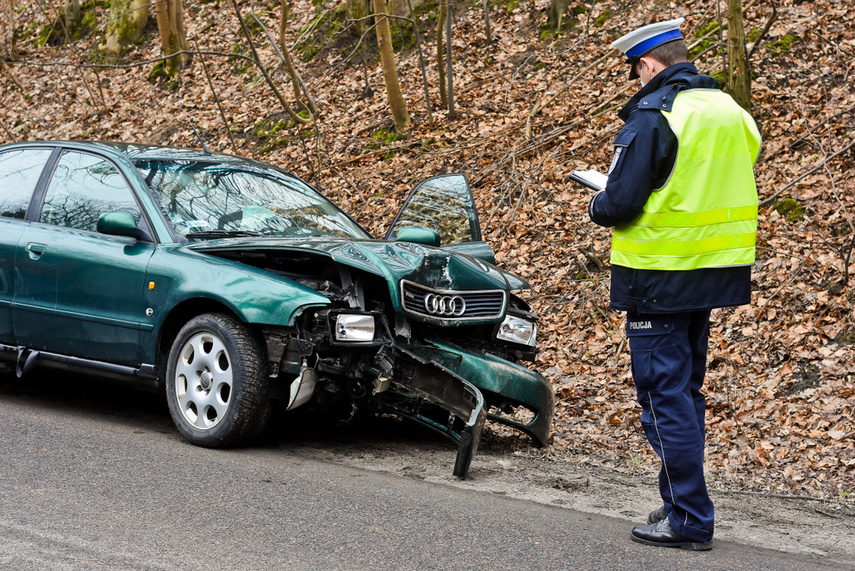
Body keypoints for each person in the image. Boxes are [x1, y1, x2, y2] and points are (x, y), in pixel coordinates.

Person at [586, 18, 761, 551]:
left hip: (658, 275)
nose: (636, 82)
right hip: (714, 273)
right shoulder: (732, 111)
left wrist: (597, 199)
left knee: (664, 398)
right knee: (684, 393)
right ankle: (678, 501)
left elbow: (619, 202)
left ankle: (688, 517)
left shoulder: (655, 112)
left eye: (635, 71)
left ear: (648, 65)